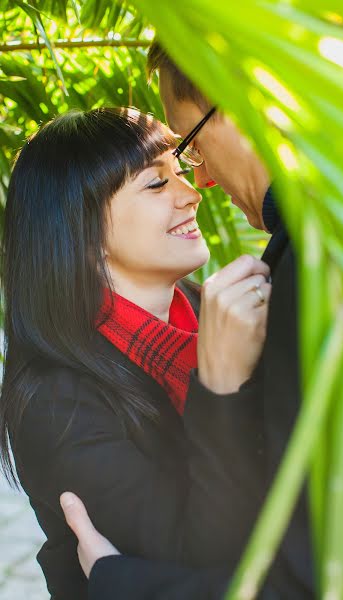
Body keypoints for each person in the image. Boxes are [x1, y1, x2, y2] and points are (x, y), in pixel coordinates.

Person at [61, 43, 343, 600]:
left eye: (189, 150)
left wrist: (121, 583)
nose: (200, 188)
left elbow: (339, 575)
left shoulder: (319, 270)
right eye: (157, 180)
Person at [0, 107, 273, 600]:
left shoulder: (204, 312)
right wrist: (223, 388)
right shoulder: (56, 403)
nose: (191, 195)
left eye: (180, 172)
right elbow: (203, 560)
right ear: (82, 233)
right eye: (155, 184)